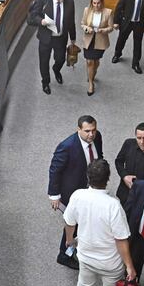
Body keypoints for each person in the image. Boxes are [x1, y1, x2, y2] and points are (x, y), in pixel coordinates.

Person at [64, 159, 135, 286]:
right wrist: (129, 266)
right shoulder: (113, 205)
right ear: (108, 179)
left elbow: (69, 222)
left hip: (86, 256)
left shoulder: (77, 195)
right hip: (110, 263)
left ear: (88, 178)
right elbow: (121, 240)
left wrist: (69, 240)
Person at [48, 115, 103, 269]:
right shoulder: (67, 146)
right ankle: (64, 254)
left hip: (90, 188)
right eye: (87, 131)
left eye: (93, 130)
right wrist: (54, 195)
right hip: (72, 192)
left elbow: (99, 157)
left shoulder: (97, 138)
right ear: (78, 129)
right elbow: (55, 170)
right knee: (73, 222)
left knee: (82, 221)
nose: (91, 134)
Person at [27, 0, 76, 94]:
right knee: (44, 62)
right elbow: (32, 17)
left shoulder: (70, 3)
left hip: (60, 38)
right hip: (46, 38)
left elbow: (71, 22)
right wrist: (41, 21)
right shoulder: (43, 1)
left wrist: (73, 37)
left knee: (61, 59)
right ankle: (45, 82)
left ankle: (56, 69)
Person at [112, 0, 144, 74]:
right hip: (127, 22)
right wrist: (116, 22)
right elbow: (119, 8)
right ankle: (117, 55)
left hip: (139, 23)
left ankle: (135, 63)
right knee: (121, 39)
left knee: (138, 43)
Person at [81, 0, 113, 96]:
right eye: (94, 3)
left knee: (96, 61)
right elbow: (82, 23)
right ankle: (91, 83)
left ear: (102, 3)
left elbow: (111, 27)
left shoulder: (108, 12)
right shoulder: (87, 10)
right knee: (89, 61)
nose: (96, 6)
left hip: (100, 40)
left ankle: (92, 73)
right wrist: (87, 28)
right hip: (89, 39)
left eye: (98, 3)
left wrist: (104, 30)